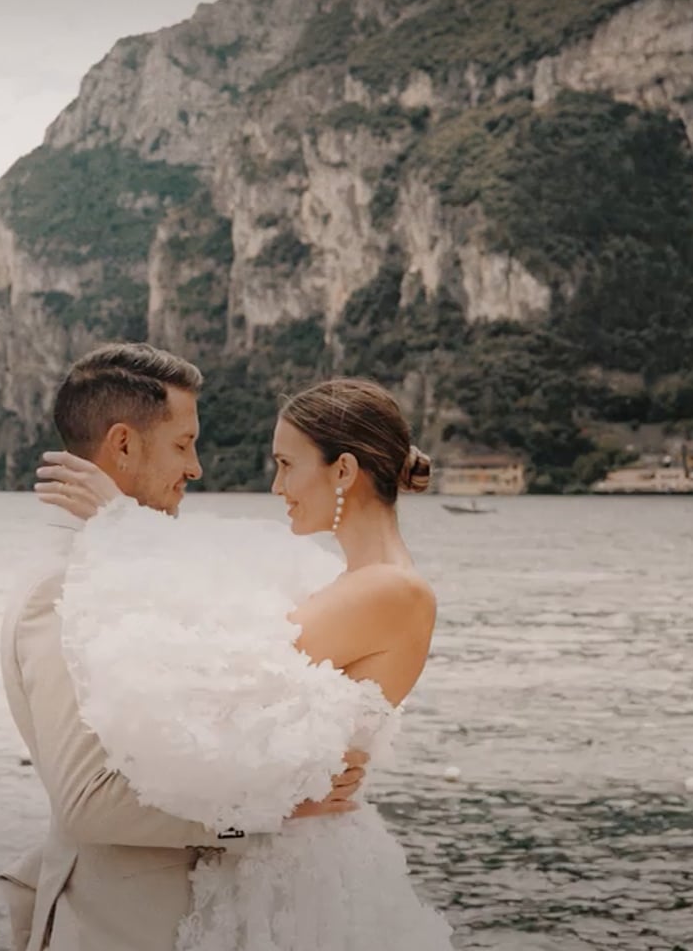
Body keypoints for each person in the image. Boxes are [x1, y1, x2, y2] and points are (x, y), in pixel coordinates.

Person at [33, 362, 453, 951]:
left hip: (301, 878)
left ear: (343, 472)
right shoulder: (346, 582)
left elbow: (219, 675)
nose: (277, 487)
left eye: (286, 465)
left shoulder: (391, 590)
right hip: (275, 860)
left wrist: (119, 529)